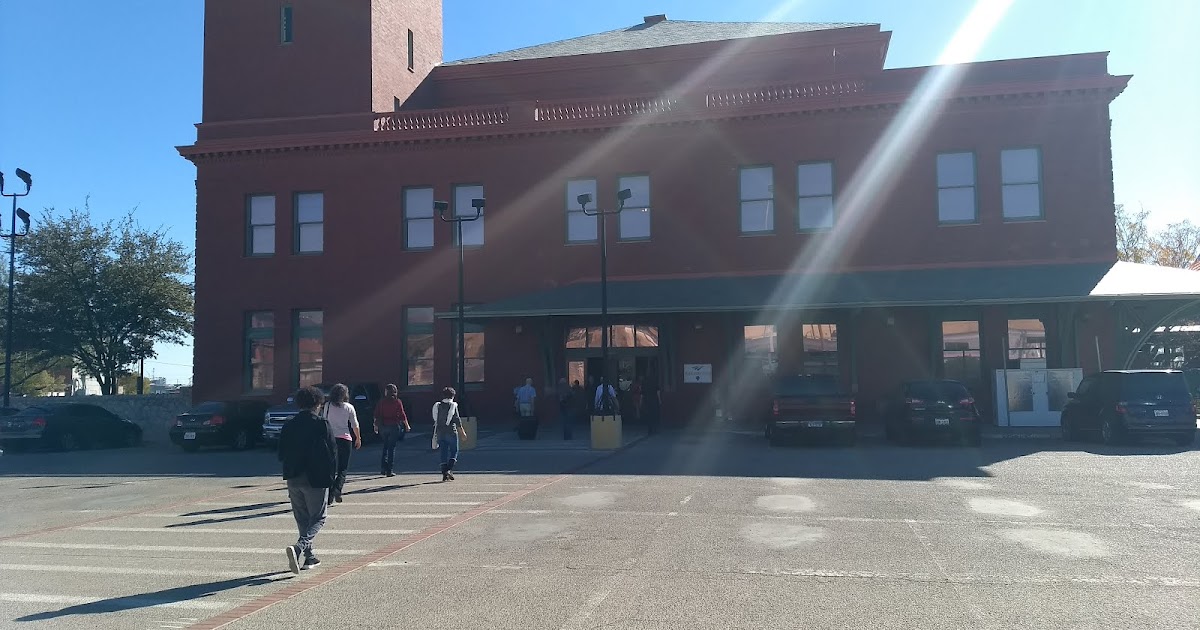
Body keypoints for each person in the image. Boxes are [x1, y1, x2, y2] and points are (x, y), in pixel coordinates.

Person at [278, 385, 336, 574]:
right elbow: (331, 454)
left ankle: (309, 557)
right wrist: (333, 480)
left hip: (293, 476)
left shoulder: (288, 425)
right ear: (318, 403)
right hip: (315, 477)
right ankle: (299, 547)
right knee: (319, 517)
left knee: (302, 518)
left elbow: (281, 453)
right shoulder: (321, 424)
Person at [322, 383, 360, 505]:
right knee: (343, 467)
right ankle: (337, 488)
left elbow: (324, 421)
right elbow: (355, 424)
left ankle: (329, 496)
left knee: (330, 467)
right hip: (345, 438)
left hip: (330, 438)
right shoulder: (349, 407)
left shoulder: (327, 406)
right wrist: (358, 438)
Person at [373, 384, 410, 477]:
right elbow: (402, 414)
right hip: (394, 425)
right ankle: (389, 470)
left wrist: (376, 426)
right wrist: (406, 425)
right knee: (391, 448)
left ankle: (383, 468)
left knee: (385, 446)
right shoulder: (397, 402)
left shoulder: (381, 402)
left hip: (383, 426)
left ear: (386, 392)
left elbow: (376, 415)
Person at [433, 386, 468, 481]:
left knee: (443, 452)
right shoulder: (453, 405)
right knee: (454, 451)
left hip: (440, 432)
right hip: (451, 432)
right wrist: (462, 432)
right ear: (453, 396)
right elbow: (457, 419)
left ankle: (444, 473)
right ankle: (449, 469)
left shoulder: (437, 406)